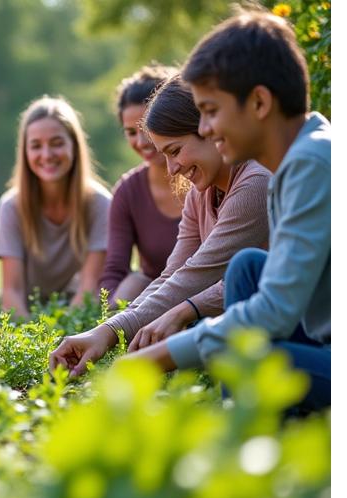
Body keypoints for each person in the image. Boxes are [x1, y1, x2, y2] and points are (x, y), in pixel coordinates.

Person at [113, 9, 330, 412]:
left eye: (211, 111)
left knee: (249, 356)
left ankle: (243, 440)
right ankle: (254, 415)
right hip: (319, 335)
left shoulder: (310, 165)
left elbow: (276, 310)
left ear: (260, 102)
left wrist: (161, 355)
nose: (207, 128)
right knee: (247, 267)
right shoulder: (297, 162)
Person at [49, 75, 272, 377]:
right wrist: (106, 330)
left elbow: (200, 275)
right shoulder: (199, 193)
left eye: (175, 151)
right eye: (165, 155)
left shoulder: (255, 183)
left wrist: (118, 330)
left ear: (209, 131)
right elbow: (173, 273)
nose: (172, 169)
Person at [0, 96, 111, 319]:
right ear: (25, 152)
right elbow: (12, 291)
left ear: (74, 146)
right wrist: (32, 337)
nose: (46, 155)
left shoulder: (100, 203)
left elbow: (89, 287)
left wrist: (60, 334)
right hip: (28, 312)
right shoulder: (11, 206)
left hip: (78, 313)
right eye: (36, 146)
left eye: (57, 143)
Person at [100, 64, 184, 304]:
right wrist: (106, 317)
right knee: (134, 283)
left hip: (203, 294)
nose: (141, 141)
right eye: (130, 132)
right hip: (152, 298)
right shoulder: (128, 192)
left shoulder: (203, 178)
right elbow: (115, 269)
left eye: (147, 127)